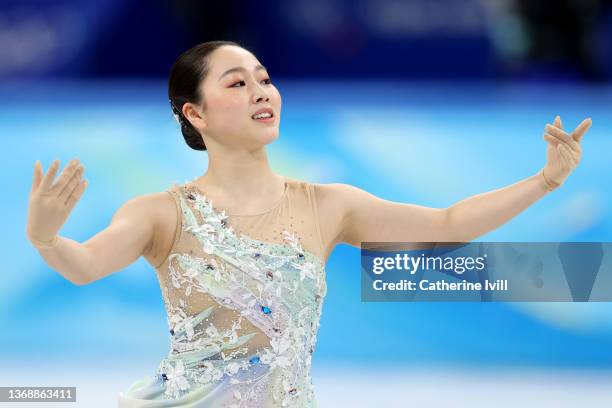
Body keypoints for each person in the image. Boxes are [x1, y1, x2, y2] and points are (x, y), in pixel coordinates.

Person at [25, 40, 592, 407]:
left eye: (264, 78)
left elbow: (446, 223)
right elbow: (85, 266)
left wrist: (544, 182)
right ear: (194, 114)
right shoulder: (158, 212)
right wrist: (46, 238)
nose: (261, 91)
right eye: (237, 82)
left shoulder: (327, 205)